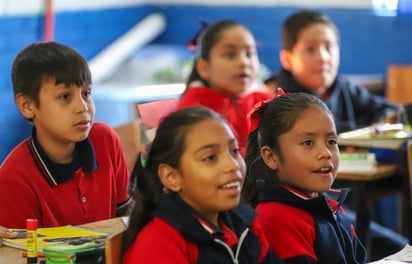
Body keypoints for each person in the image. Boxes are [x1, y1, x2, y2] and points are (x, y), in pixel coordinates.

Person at [121, 107, 282, 263]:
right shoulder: (158, 245)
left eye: (233, 151)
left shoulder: (243, 223)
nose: (232, 166)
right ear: (172, 177)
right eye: (210, 157)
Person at [0, 42, 133, 229]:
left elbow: (126, 221)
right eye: (65, 96)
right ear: (27, 105)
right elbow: (18, 255)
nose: (82, 107)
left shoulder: (105, 140)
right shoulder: (14, 178)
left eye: (86, 93)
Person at [242, 92, 368, 263]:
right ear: (271, 157)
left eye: (331, 141)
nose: (325, 153)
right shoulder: (276, 219)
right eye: (308, 143)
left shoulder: (328, 205)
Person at [267, 10, 401, 133]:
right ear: (288, 59)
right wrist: (373, 128)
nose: (323, 57)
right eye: (310, 49)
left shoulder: (343, 87)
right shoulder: (282, 100)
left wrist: (389, 117)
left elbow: (386, 110)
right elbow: (324, 131)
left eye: (329, 47)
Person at [176, 19, 275, 156]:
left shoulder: (267, 103)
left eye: (249, 54)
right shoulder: (194, 108)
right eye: (230, 54)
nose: (243, 62)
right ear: (204, 68)